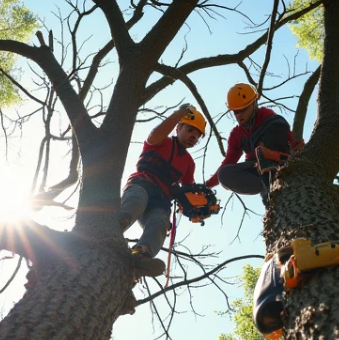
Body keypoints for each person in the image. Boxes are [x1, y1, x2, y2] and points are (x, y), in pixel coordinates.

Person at [120, 104, 205, 276]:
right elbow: (155, 134)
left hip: (161, 199)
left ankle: (141, 256)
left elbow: (188, 190)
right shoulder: (161, 141)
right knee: (137, 200)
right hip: (143, 183)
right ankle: (116, 224)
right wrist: (177, 114)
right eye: (190, 130)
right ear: (178, 127)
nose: (193, 137)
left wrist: (196, 206)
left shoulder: (189, 163)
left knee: (160, 222)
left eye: (197, 136)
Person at [205, 83, 294, 202]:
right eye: (236, 112)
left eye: (243, 109)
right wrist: (207, 185)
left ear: (254, 103)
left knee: (275, 125)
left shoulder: (270, 119)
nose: (239, 115)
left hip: (281, 160)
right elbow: (229, 161)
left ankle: (276, 166)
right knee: (224, 174)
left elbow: (290, 137)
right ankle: (267, 188)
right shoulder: (236, 135)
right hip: (257, 168)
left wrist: (298, 148)